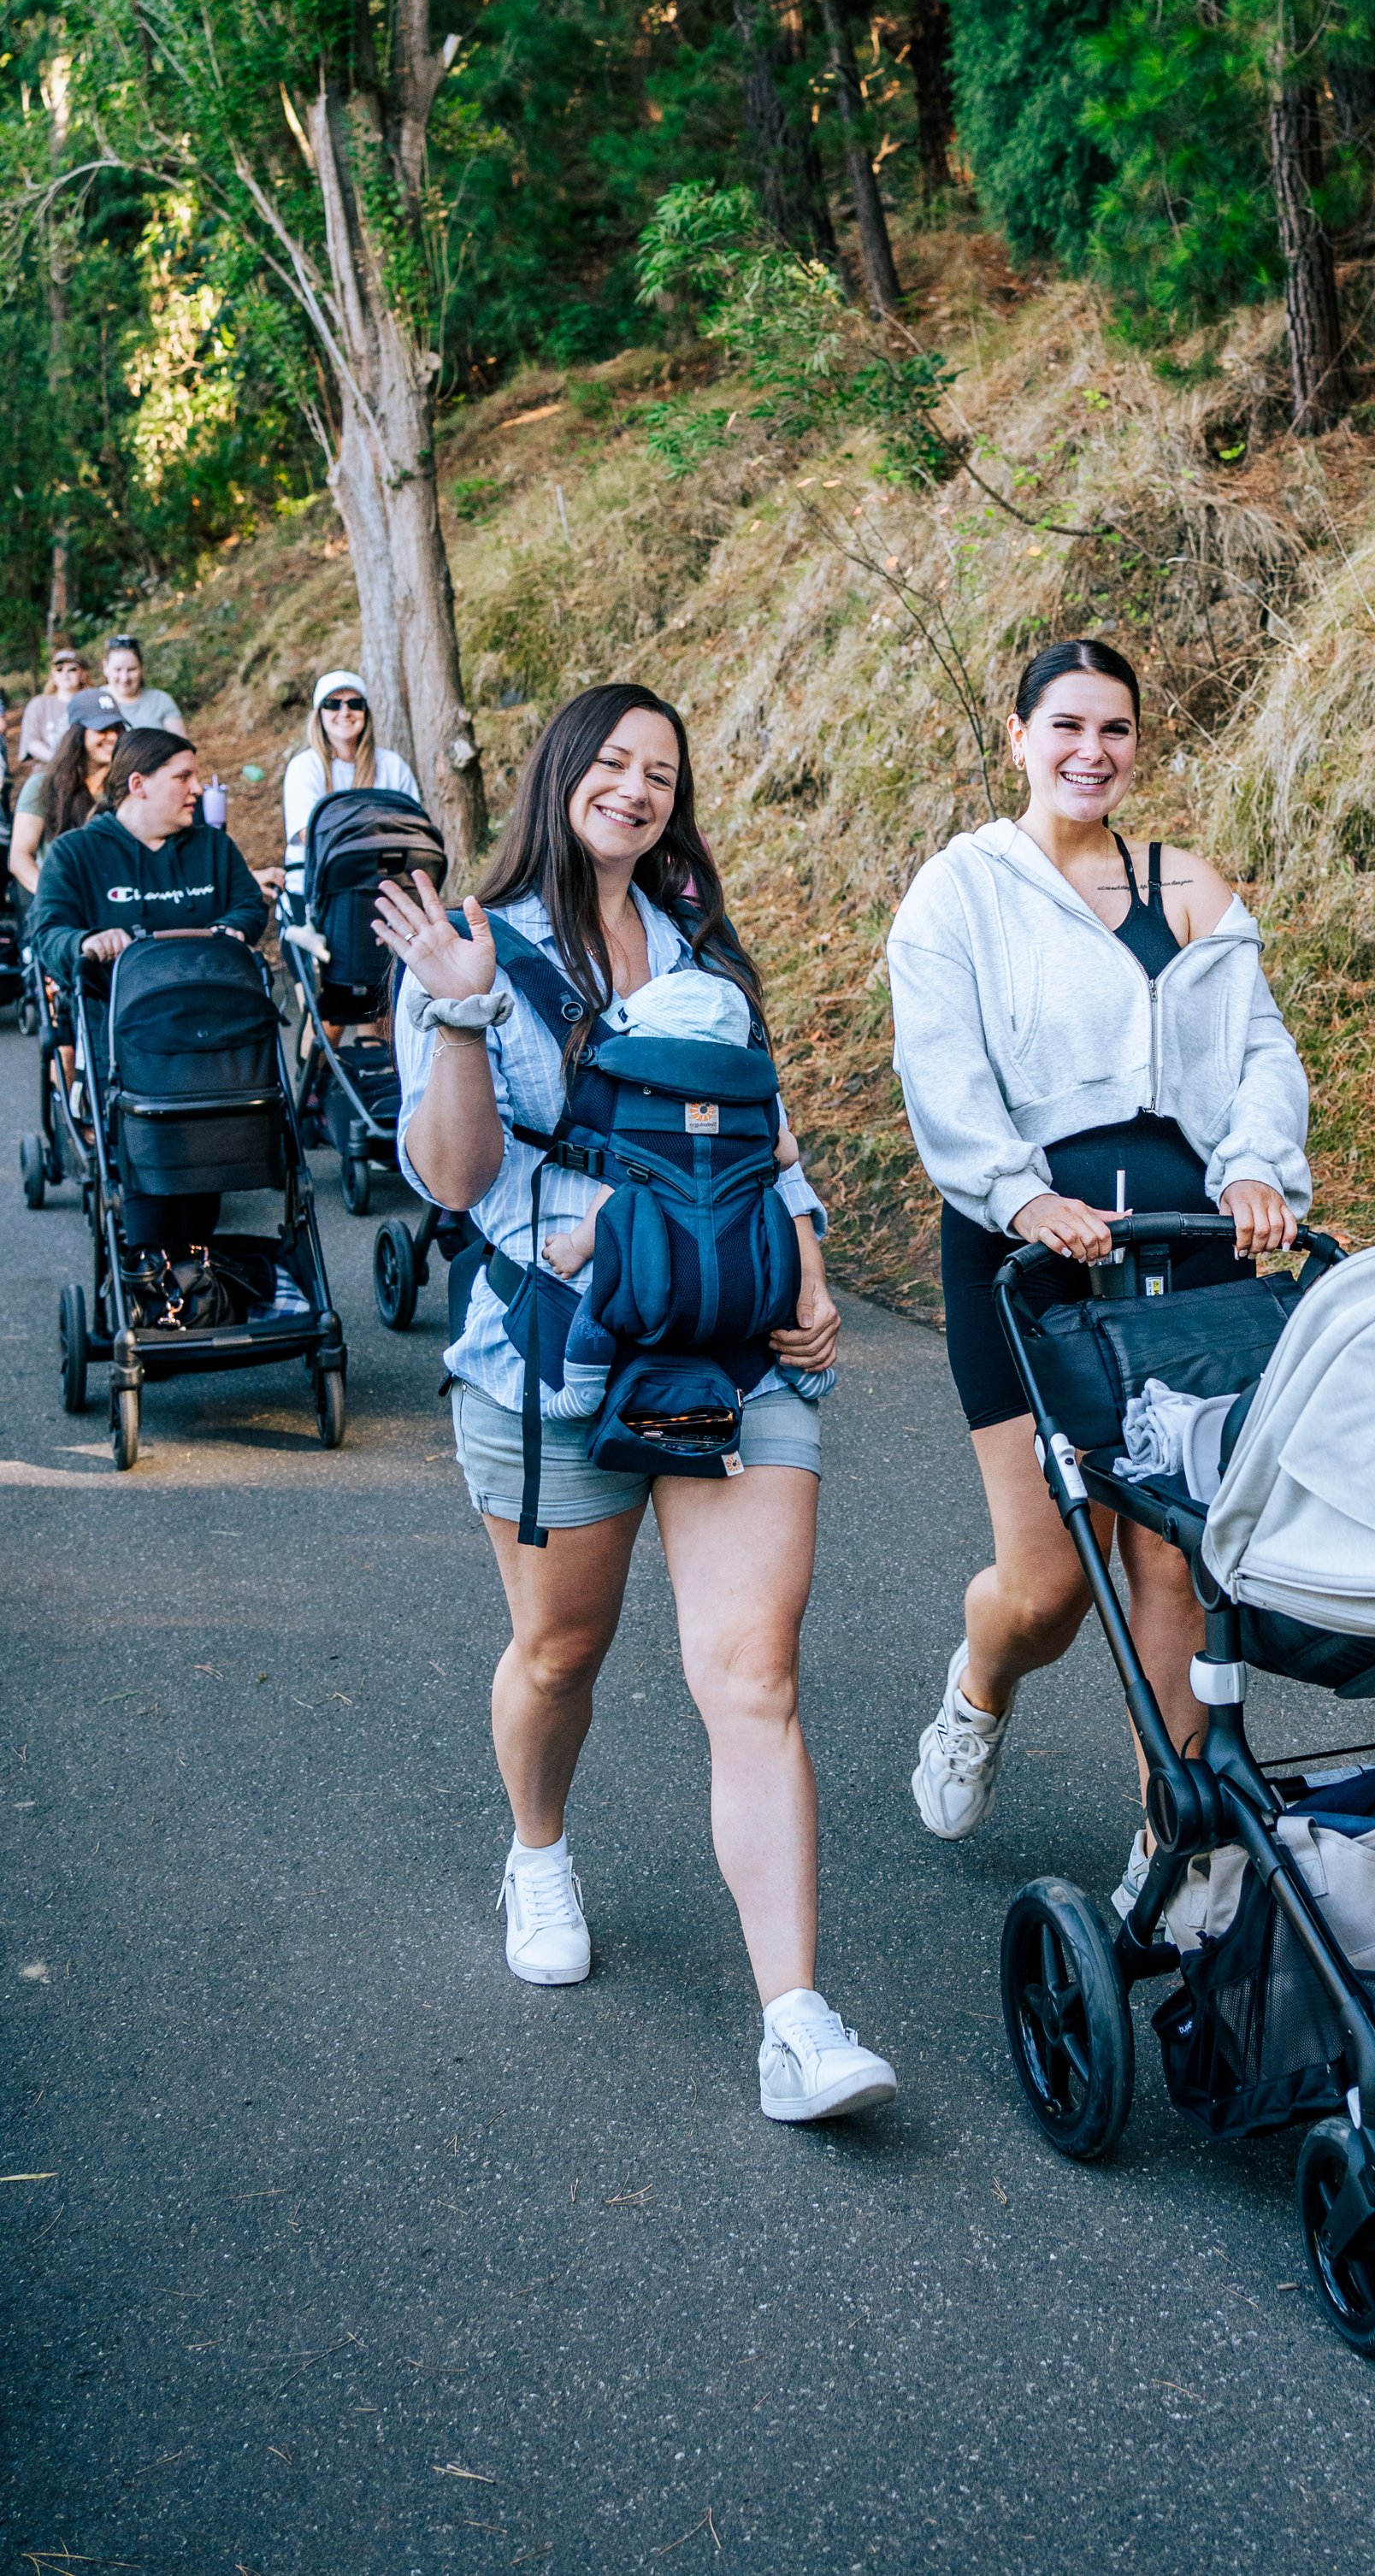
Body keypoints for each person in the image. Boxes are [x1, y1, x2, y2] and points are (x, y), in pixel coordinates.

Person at [376, 682, 896, 2127]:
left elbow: (762, 1142)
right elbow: (459, 1180)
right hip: (559, 1355)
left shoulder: (697, 950)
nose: (637, 786)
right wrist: (467, 1016)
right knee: (560, 1657)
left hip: (734, 1346)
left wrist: (805, 1273)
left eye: (661, 770)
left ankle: (795, 2018)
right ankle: (538, 1846)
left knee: (755, 1674)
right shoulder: (481, 947)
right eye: (611, 761)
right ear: (561, 774)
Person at [886, 636, 1310, 1913]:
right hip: (1024, 1256)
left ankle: (1170, 1841)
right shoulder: (958, 893)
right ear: (1016, 737)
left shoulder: (1180, 881)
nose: (1091, 751)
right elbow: (941, 1075)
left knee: (1172, 1559)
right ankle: (979, 1685)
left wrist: (1254, 1166)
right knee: (1053, 1581)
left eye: (1115, 729)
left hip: (1180, 1248)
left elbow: (1261, 1050)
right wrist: (1023, 1194)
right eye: (1064, 726)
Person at [30, 727, 269, 1253]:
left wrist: (232, 929)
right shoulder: (76, 854)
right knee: (148, 1174)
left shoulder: (212, 846)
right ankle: (152, 1285)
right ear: (137, 783)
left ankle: (197, 1285)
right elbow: (46, 934)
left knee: (204, 1171)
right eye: (183, 777)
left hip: (212, 1042)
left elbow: (250, 906)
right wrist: (87, 940)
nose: (197, 789)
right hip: (126, 1047)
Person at [281, 670, 422, 887]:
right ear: (319, 714)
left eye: (355, 703)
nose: (345, 712)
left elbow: (411, 830)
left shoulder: (392, 765)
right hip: (318, 884)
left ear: (365, 712)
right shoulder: (305, 766)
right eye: (332, 704)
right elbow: (309, 836)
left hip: (382, 880)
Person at [9, 689, 126, 898]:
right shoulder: (43, 785)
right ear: (78, 734)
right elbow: (19, 857)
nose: (113, 737)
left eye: (118, 728)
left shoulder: (127, 785)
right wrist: (55, 897)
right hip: (61, 898)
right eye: (103, 729)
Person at [17, 650, 86, 774]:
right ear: (53, 675)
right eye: (59, 669)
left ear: (82, 673)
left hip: (85, 771)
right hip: (47, 772)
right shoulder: (39, 704)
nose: (65, 674)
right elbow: (31, 742)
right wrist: (59, 761)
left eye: (72, 669)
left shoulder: (91, 703)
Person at [102, 634, 185, 737]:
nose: (124, 678)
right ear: (105, 667)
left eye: (132, 669)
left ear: (141, 668)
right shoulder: (91, 702)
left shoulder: (161, 700)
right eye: (118, 669)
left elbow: (183, 748)